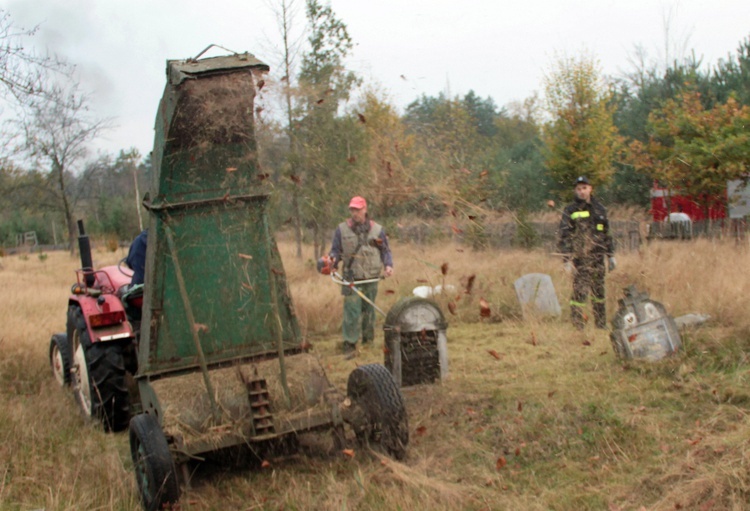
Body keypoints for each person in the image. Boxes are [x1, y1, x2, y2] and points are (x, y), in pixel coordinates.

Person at [328, 196, 393, 355]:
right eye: (352, 209)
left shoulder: (377, 230)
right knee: (351, 311)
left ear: (365, 209)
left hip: (372, 277)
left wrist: (388, 265)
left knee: (368, 311)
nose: (354, 213)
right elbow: (335, 251)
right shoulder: (341, 229)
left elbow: (385, 250)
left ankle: (368, 341)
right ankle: (350, 344)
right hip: (351, 278)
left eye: (357, 209)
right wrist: (333, 262)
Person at [557, 176, 615, 330]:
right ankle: (578, 326)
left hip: (598, 258)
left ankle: (601, 325)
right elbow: (564, 235)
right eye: (578, 189)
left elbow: (606, 234)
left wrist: (611, 256)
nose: (581, 191)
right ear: (575, 191)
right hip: (580, 259)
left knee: (599, 293)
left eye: (584, 188)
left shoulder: (600, 209)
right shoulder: (570, 210)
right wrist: (567, 260)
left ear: (590, 189)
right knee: (579, 294)